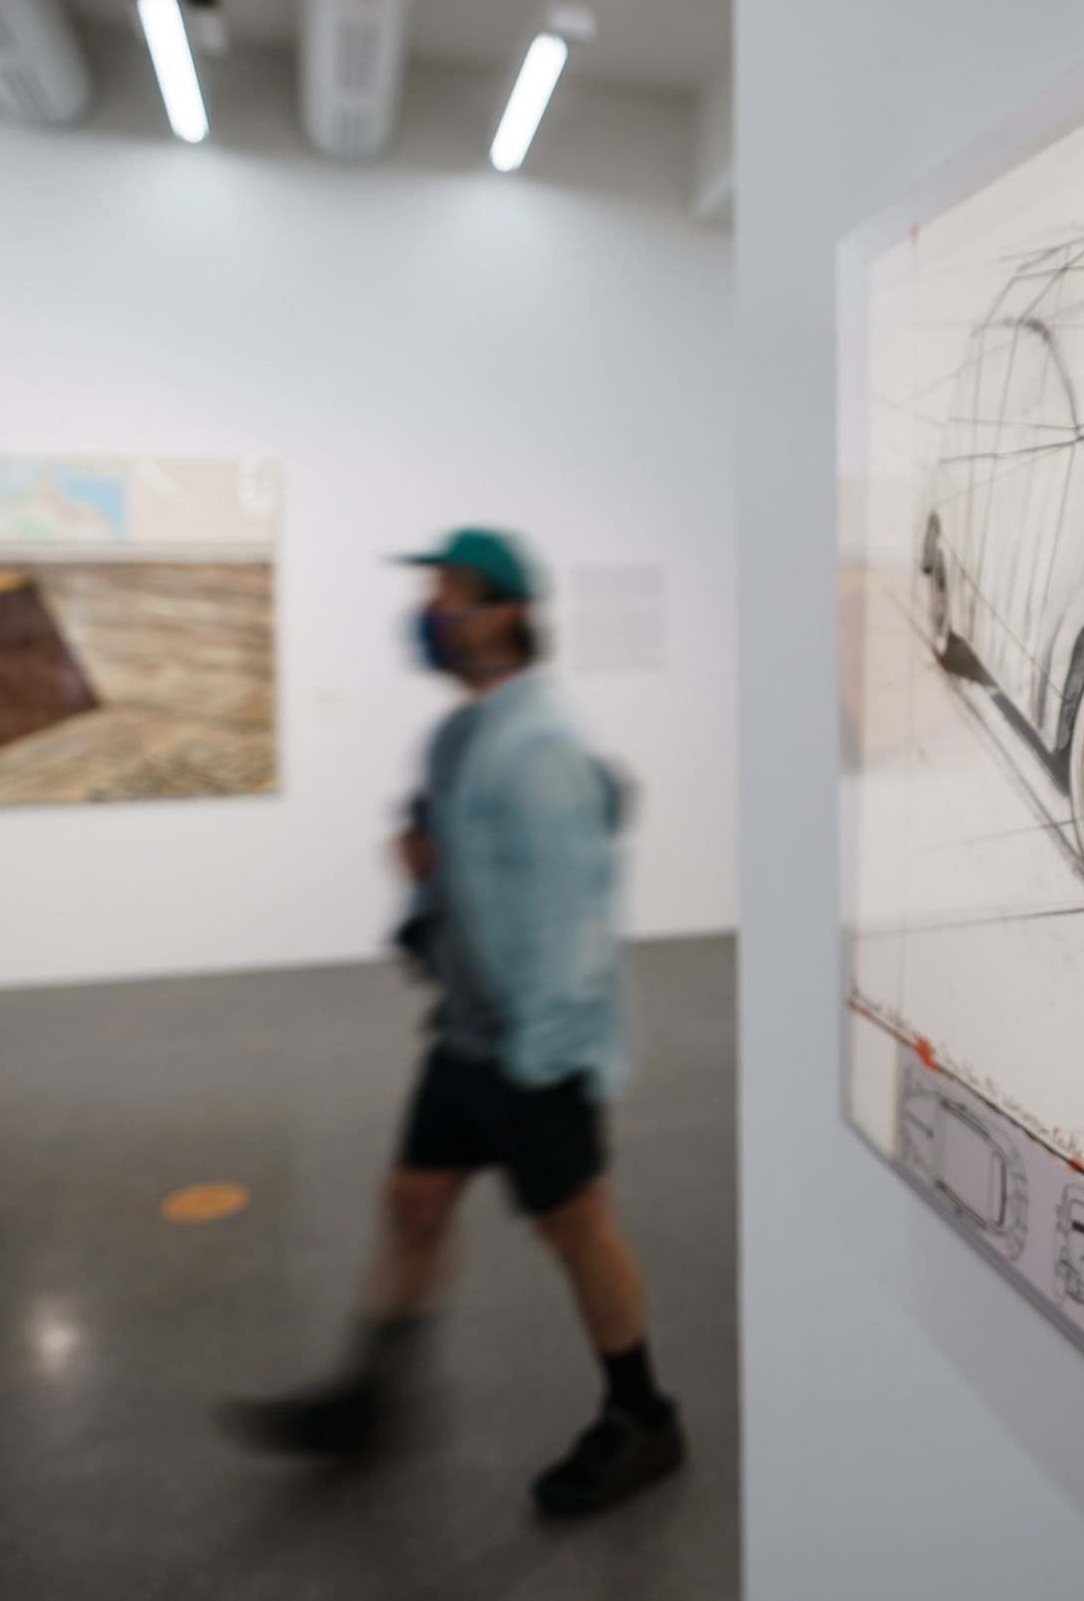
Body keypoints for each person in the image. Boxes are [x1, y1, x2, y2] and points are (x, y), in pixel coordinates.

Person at [225, 528, 683, 1517]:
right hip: (467, 1032)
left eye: (453, 594)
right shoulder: (458, 735)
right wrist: (427, 881)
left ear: (508, 613)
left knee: (577, 1226)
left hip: (531, 1049)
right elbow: (456, 863)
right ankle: (369, 1398)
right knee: (415, 1199)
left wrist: (548, 1066)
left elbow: (572, 924)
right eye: (431, 593)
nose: (432, 613)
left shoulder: (540, 749)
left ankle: (643, 1413)